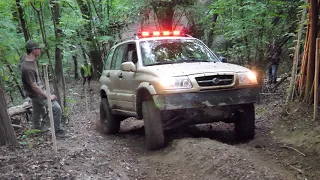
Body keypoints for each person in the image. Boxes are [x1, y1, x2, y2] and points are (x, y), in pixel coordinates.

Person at [20, 39, 68, 138]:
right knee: (56, 108)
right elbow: (34, 87)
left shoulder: (27, 58)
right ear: (33, 50)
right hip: (36, 93)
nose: (40, 49)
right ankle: (57, 131)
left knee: (38, 110)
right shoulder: (28, 68)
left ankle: (37, 129)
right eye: (38, 48)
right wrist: (48, 96)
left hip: (34, 93)